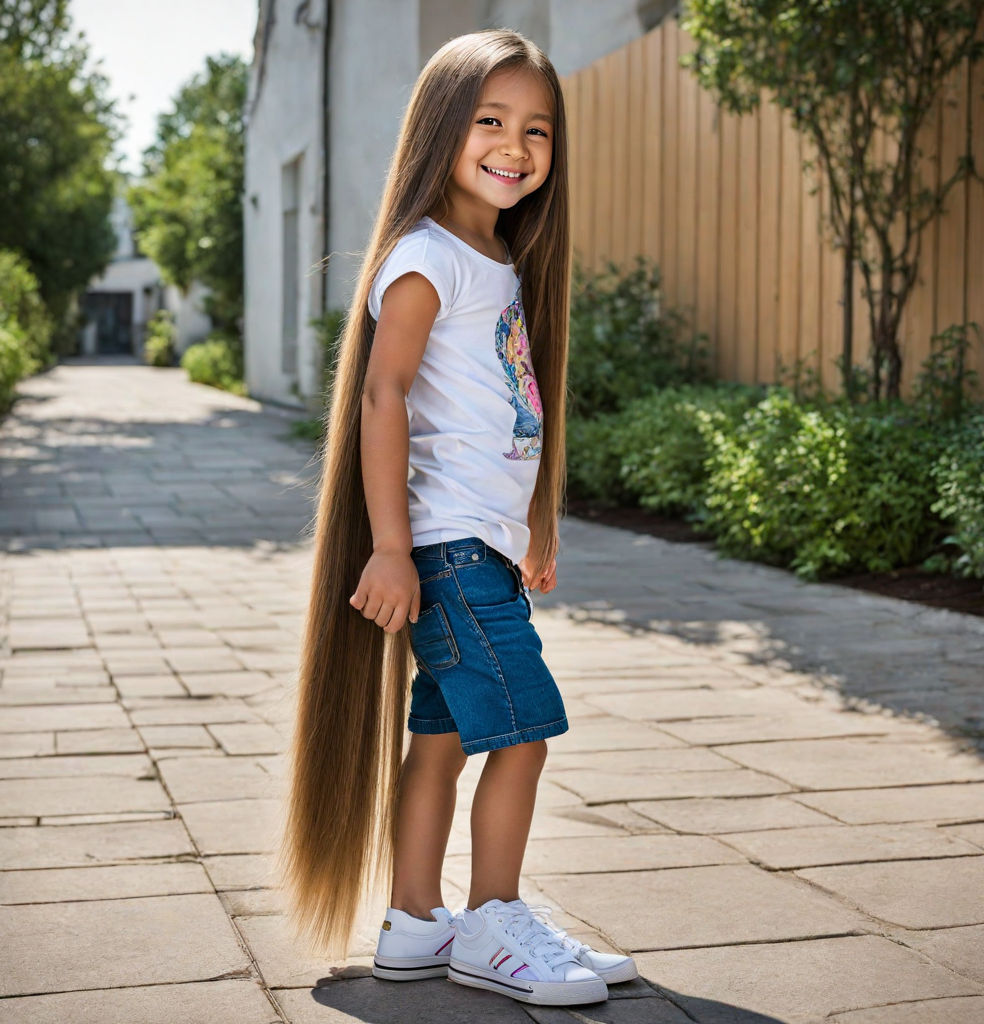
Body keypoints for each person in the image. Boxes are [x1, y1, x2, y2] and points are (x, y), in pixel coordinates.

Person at [275, 28, 637, 1008]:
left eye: (537, 129)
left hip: (482, 544)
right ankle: (493, 921)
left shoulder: (496, 258)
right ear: (441, 127)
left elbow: (503, 419)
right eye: (489, 121)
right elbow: (381, 398)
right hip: (444, 551)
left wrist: (538, 531)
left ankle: (412, 923)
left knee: (439, 739)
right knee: (523, 730)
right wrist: (391, 546)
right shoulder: (427, 257)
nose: (514, 145)